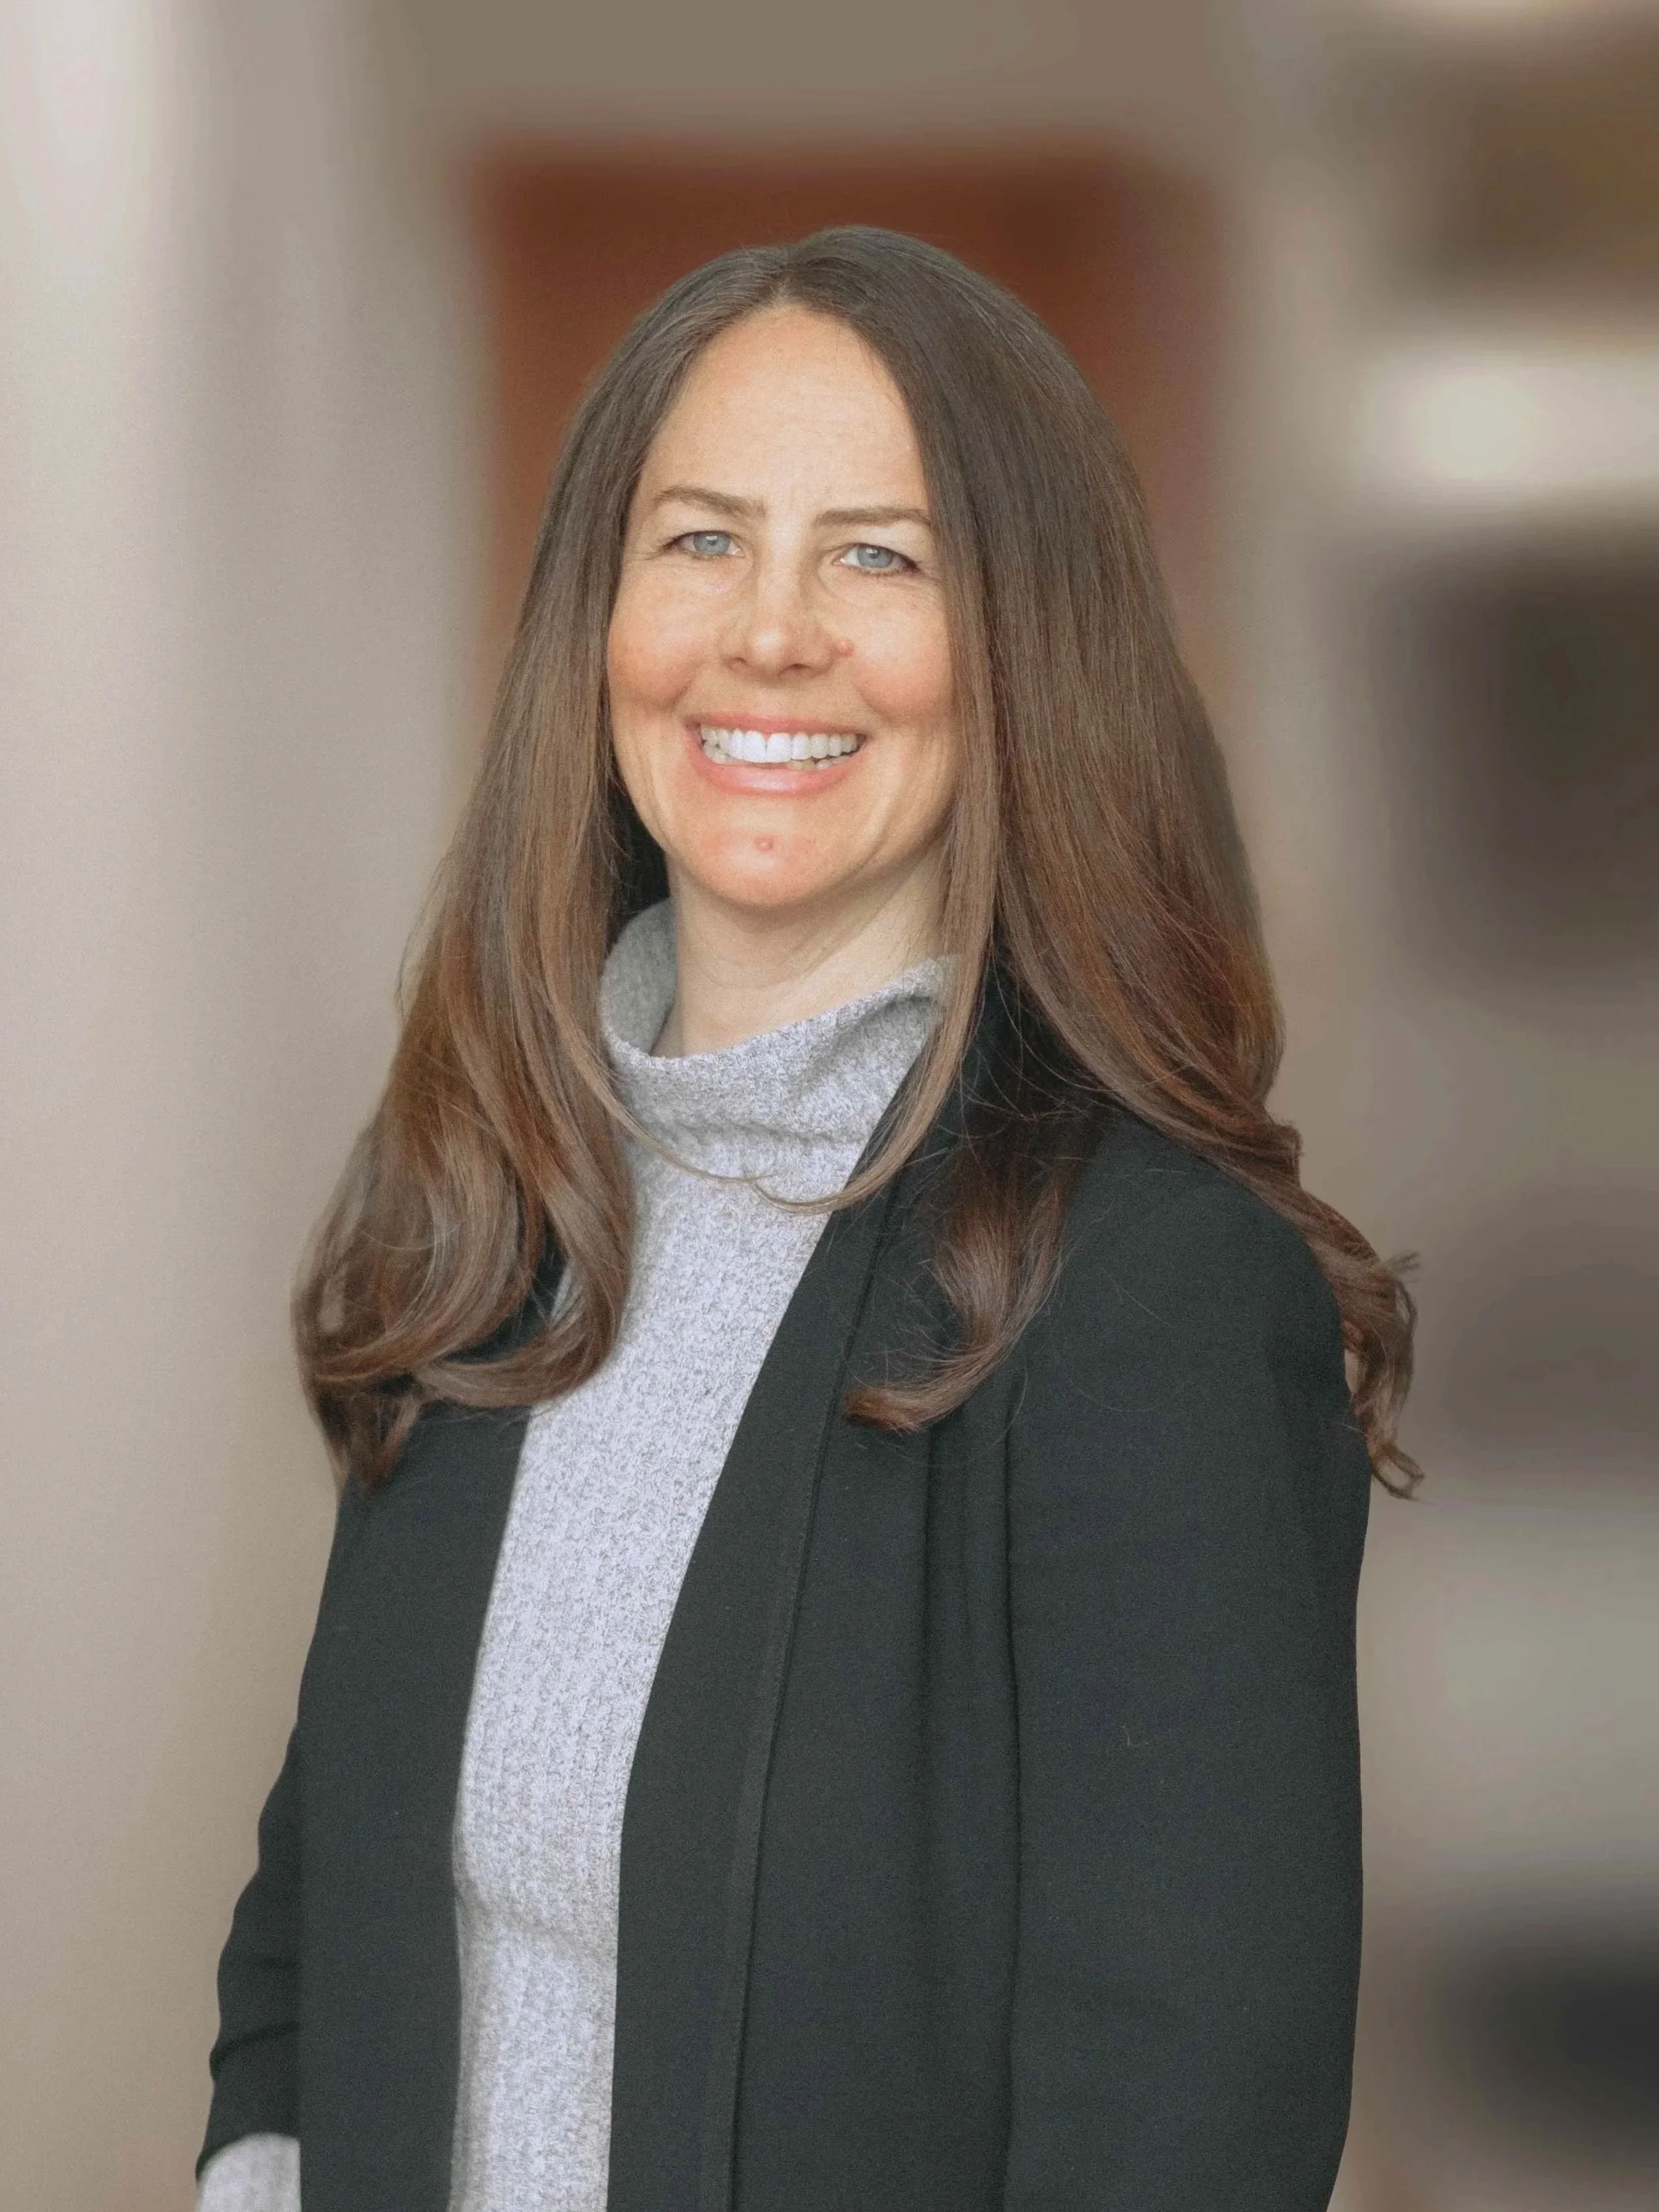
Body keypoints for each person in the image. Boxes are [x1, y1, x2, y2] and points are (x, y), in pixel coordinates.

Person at [196, 226, 1417, 2212]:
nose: (769, 632)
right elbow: (322, 1893)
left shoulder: (1151, 1292)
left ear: (1020, 642)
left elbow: (1179, 2129)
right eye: (697, 541)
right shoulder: (496, 1195)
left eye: (879, 553)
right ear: (598, 613)